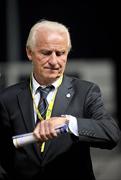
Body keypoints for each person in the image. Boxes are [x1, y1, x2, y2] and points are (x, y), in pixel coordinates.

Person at [0, 19, 120, 180]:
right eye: (46, 53)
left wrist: (69, 124)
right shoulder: (7, 98)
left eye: (60, 53)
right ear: (29, 52)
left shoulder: (86, 92)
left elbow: (111, 134)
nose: (54, 61)